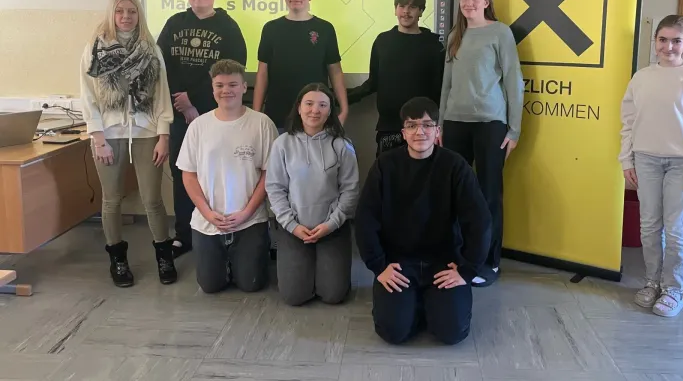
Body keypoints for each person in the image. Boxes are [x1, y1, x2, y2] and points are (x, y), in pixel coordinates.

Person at [355, 97, 491, 345]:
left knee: (452, 333)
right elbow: (366, 218)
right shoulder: (385, 166)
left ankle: (426, 303)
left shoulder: (455, 166)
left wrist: (467, 269)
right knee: (393, 332)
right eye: (412, 125)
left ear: (437, 131)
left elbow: (479, 220)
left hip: (444, 264)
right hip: (398, 264)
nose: (420, 131)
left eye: (428, 125)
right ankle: (414, 303)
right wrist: (378, 266)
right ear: (403, 133)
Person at [620, 15, 683, 317]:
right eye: (662, 40)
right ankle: (651, 282)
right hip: (647, 160)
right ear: (655, 42)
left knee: (676, 231)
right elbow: (628, 122)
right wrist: (627, 158)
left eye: (676, 40)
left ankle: (673, 290)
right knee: (649, 226)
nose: (668, 46)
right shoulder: (641, 78)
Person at [80, 0, 177, 287]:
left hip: (146, 132)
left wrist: (163, 137)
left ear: (139, 15)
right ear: (112, 13)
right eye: (120, 11)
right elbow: (87, 96)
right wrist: (98, 137)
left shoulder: (151, 49)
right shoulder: (94, 49)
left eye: (132, 11)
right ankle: (118, 260)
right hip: (109, 135)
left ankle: (164, 256)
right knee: (111, 201)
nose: (126, 17)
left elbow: (161, 97)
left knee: (152, 199)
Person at [438, 0, 524, 288]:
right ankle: (459, 256)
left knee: (488, 195)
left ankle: (489, 262)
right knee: (455, 194)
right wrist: (440, 123)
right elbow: (447, 83)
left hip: (491, 124)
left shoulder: (500, 33)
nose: (469, 3)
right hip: (455, 122)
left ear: (486, 2)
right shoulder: (455, 35)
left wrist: (514, 129)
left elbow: (514, 81)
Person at [157, 0, 247, 258]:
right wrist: (181, 104)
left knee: (214, 173)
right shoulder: (174, 24)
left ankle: (220, 229)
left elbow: (234, 69)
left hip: (214, 114)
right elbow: (162, 66)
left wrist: (195, 101)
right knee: (184, 173)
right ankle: (185, 235)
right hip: (178, 114)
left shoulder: (228, 27)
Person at [176, 59, 278, 294]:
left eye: (233, 85)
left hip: (250, 220)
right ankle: (224, 260)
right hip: (208, 222)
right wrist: (207, 213)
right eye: (219, 85)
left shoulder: (262, 124)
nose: (226, 91)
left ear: (244, 87)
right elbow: (188, 175)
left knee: (251, 285)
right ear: (212, 89)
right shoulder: (199, 126)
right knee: (210, 286)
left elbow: (268, 174)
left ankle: (246, 258)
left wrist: (246, 213)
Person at [266, 83, 359, 306]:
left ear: (330, 111)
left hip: (332, 228)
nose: (314, 110)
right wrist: (292, 225)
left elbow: (351, 190)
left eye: (322, 105)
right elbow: (275, 189)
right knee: (293, 296)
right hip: (294, 228)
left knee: (333, 295)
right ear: (299, 108)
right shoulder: (282, 144)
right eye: (309, 103)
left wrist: (331, 224)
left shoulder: (342, 145)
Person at [348, 0, 445, 155]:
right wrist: (340, 98)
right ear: (395, 9)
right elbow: (372, 83)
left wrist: (438, 124)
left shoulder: (434, 45)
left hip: (423, 128)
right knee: (387, 178)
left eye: (412, 7)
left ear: (421, 11)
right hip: (389, 127)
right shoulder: (382, 42)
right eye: (402, 6)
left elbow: (440, 89)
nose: (406, 12)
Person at [253, 0, 348, 130]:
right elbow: (262, 73)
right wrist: (256, 113)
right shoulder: (271, 29)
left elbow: (335, 71)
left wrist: (344, 110)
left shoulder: (325, 29)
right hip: (278, 114)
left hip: (315, 115)